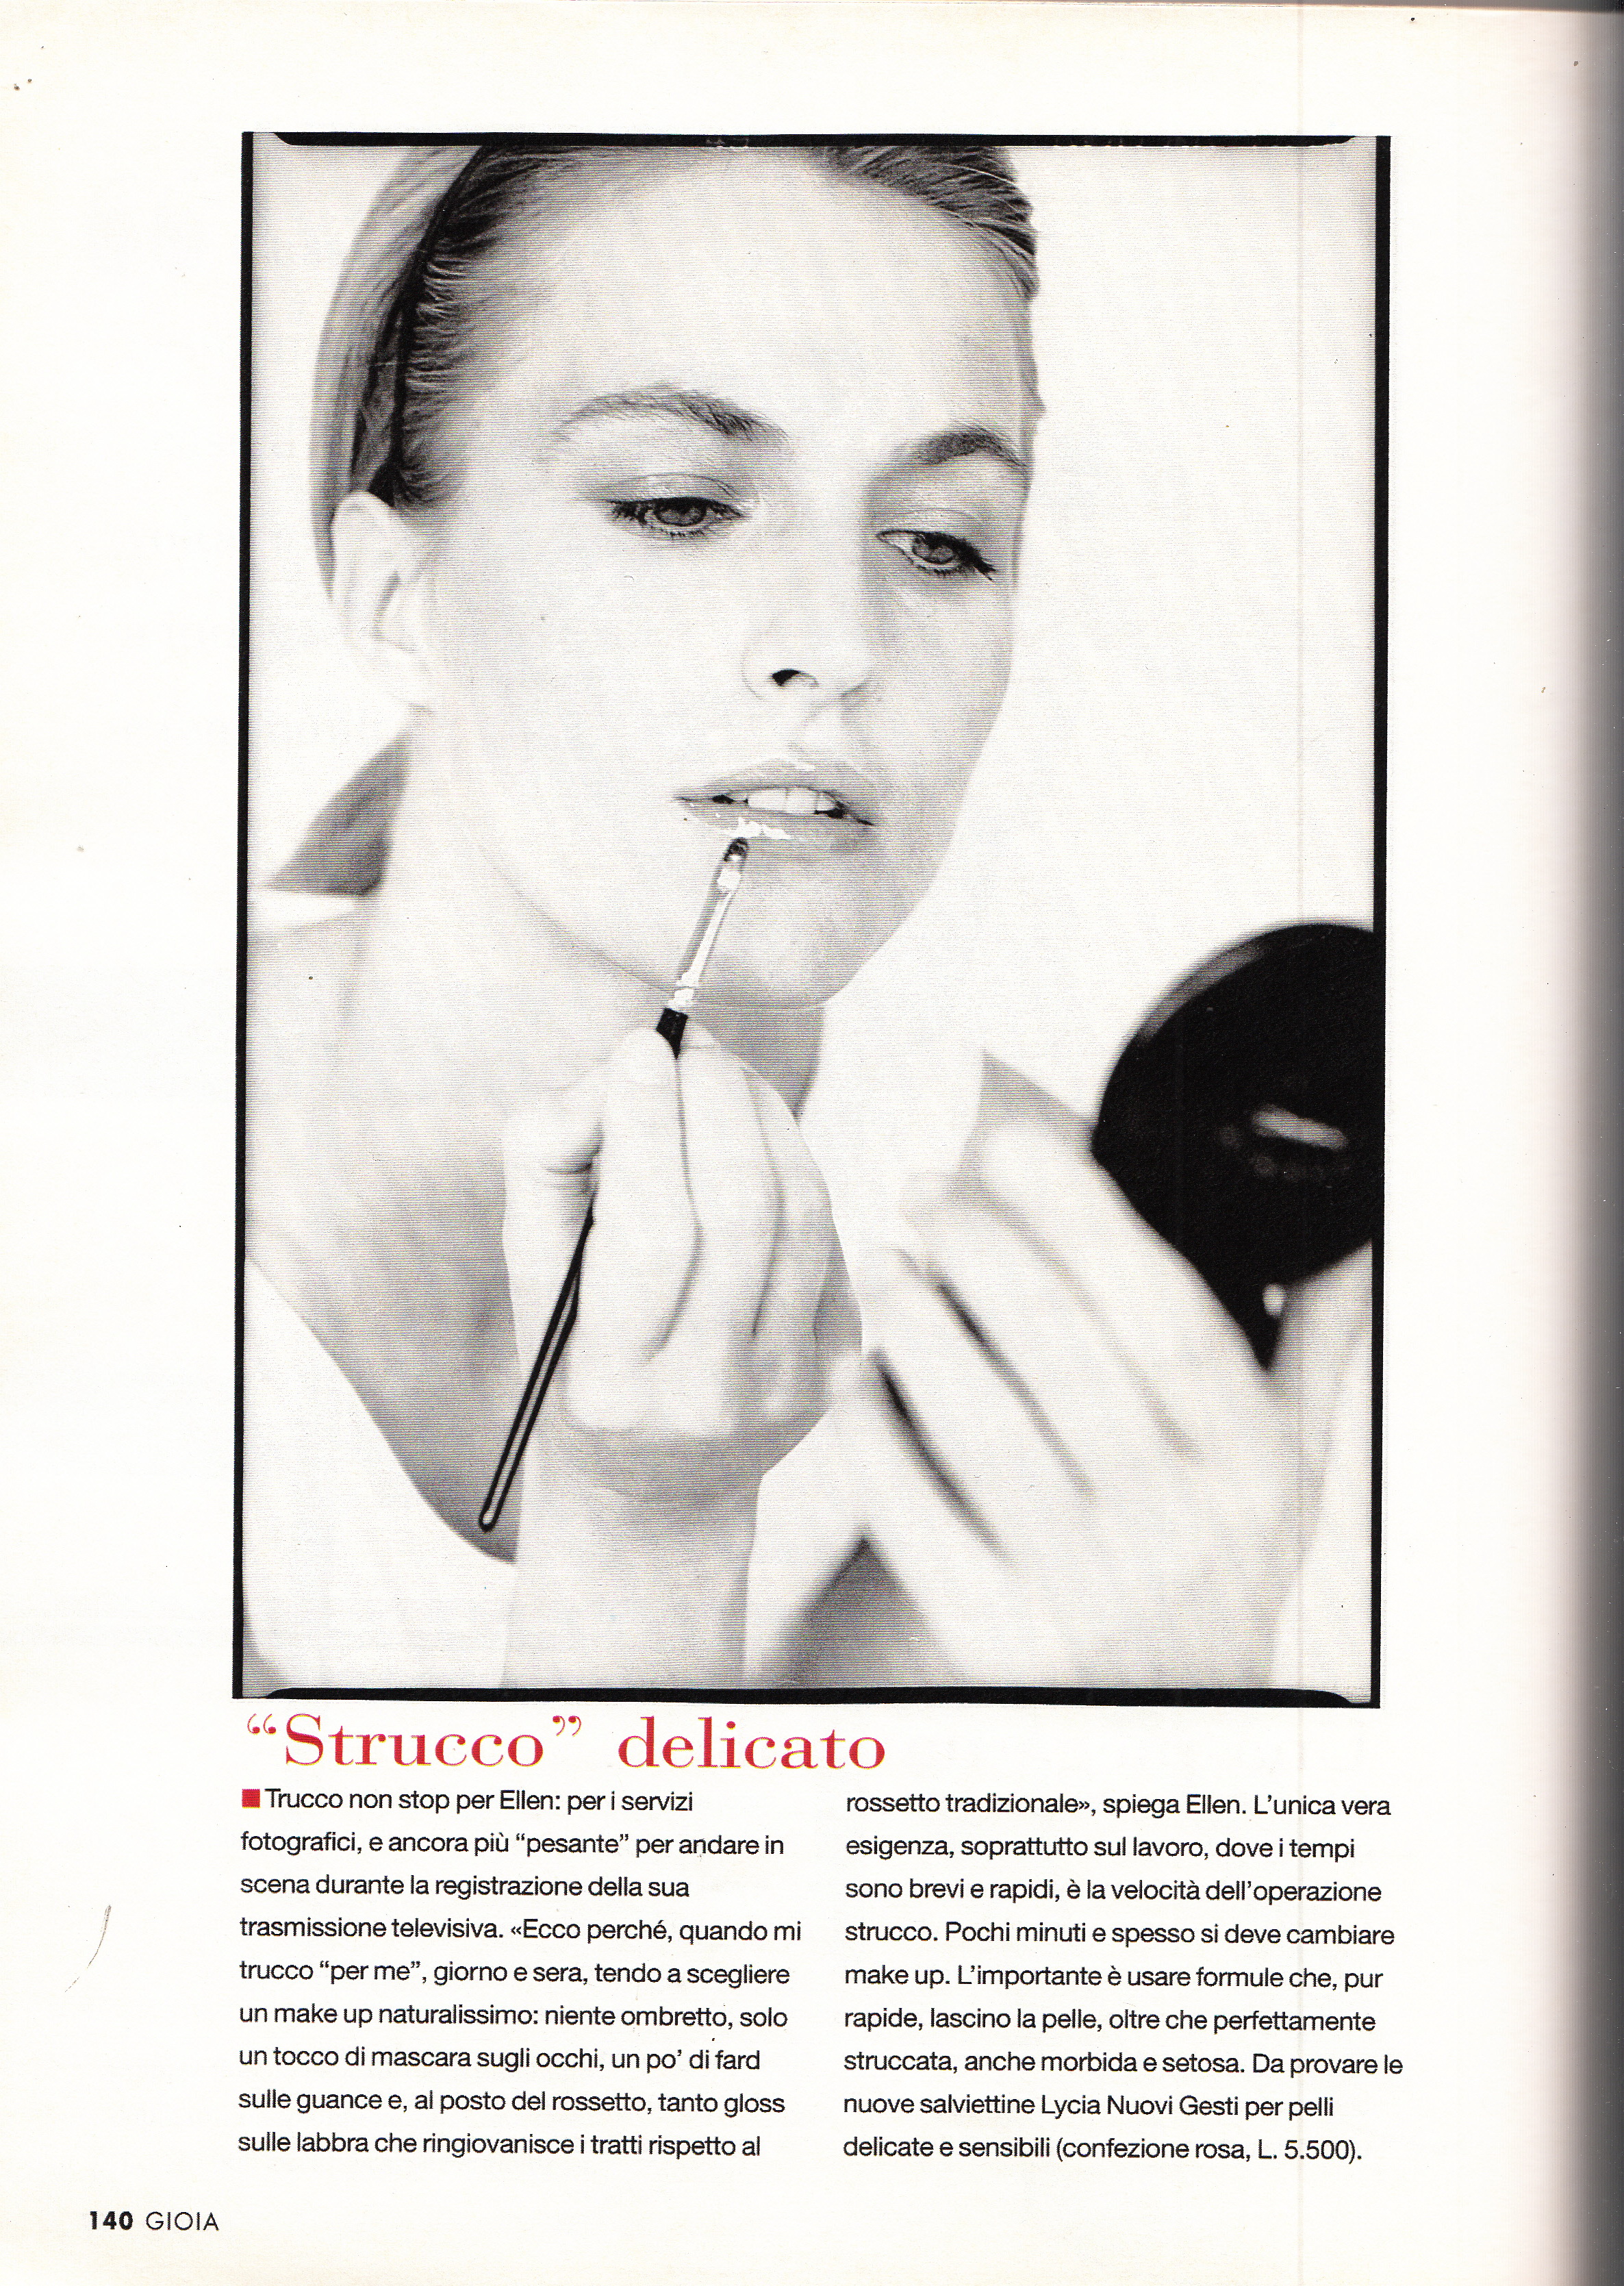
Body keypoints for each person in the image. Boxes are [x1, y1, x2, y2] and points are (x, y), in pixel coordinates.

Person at [244, 138, 1371, 1696]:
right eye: (678, 504)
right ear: (394, 600)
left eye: (940, 540)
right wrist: (645, 1531)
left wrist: (1171, 1698)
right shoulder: (75, 1154)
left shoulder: (1038, 1272)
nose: (841, 641)